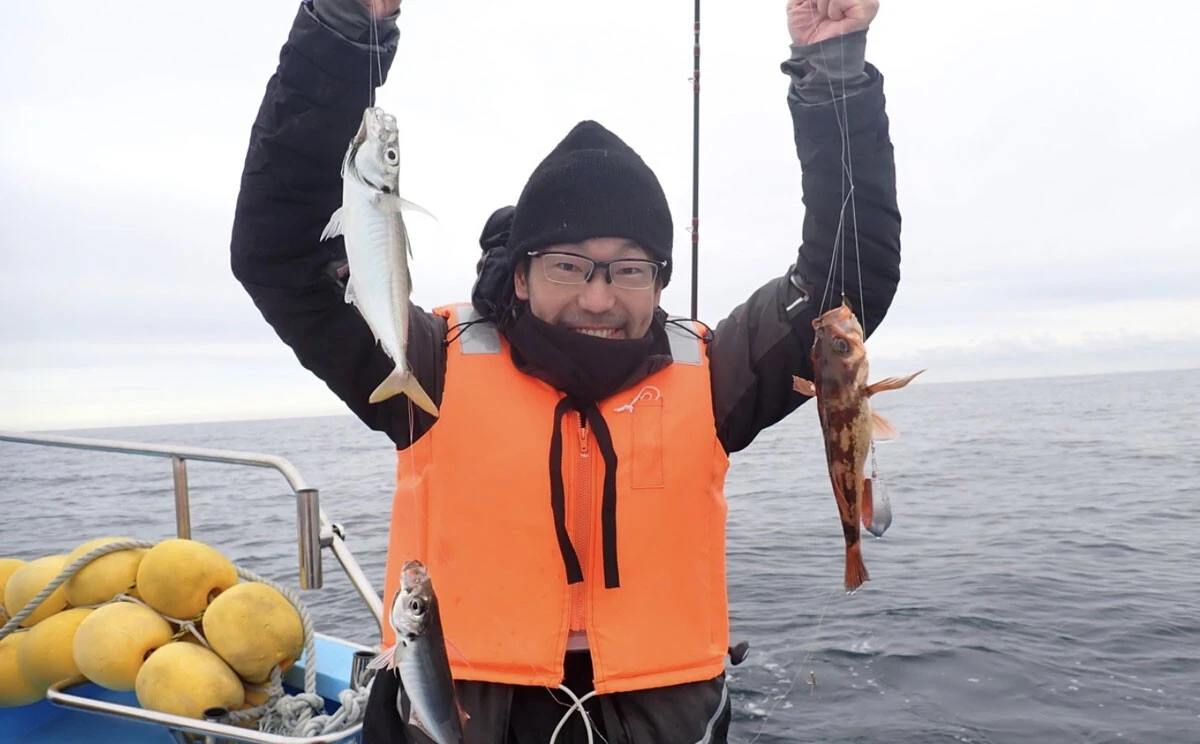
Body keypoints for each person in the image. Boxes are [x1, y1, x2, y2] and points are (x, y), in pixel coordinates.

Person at [230, 0, 900, 740]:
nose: (599, 297)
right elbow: (280, 253)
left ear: (660, 277)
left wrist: (834, 69)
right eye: (568, 266)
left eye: (630, 269)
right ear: (519, 276)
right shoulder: (427, 370)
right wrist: (344, 31)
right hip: (455, 714)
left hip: (661, 718)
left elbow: (849, 280)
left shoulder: (712, 374)